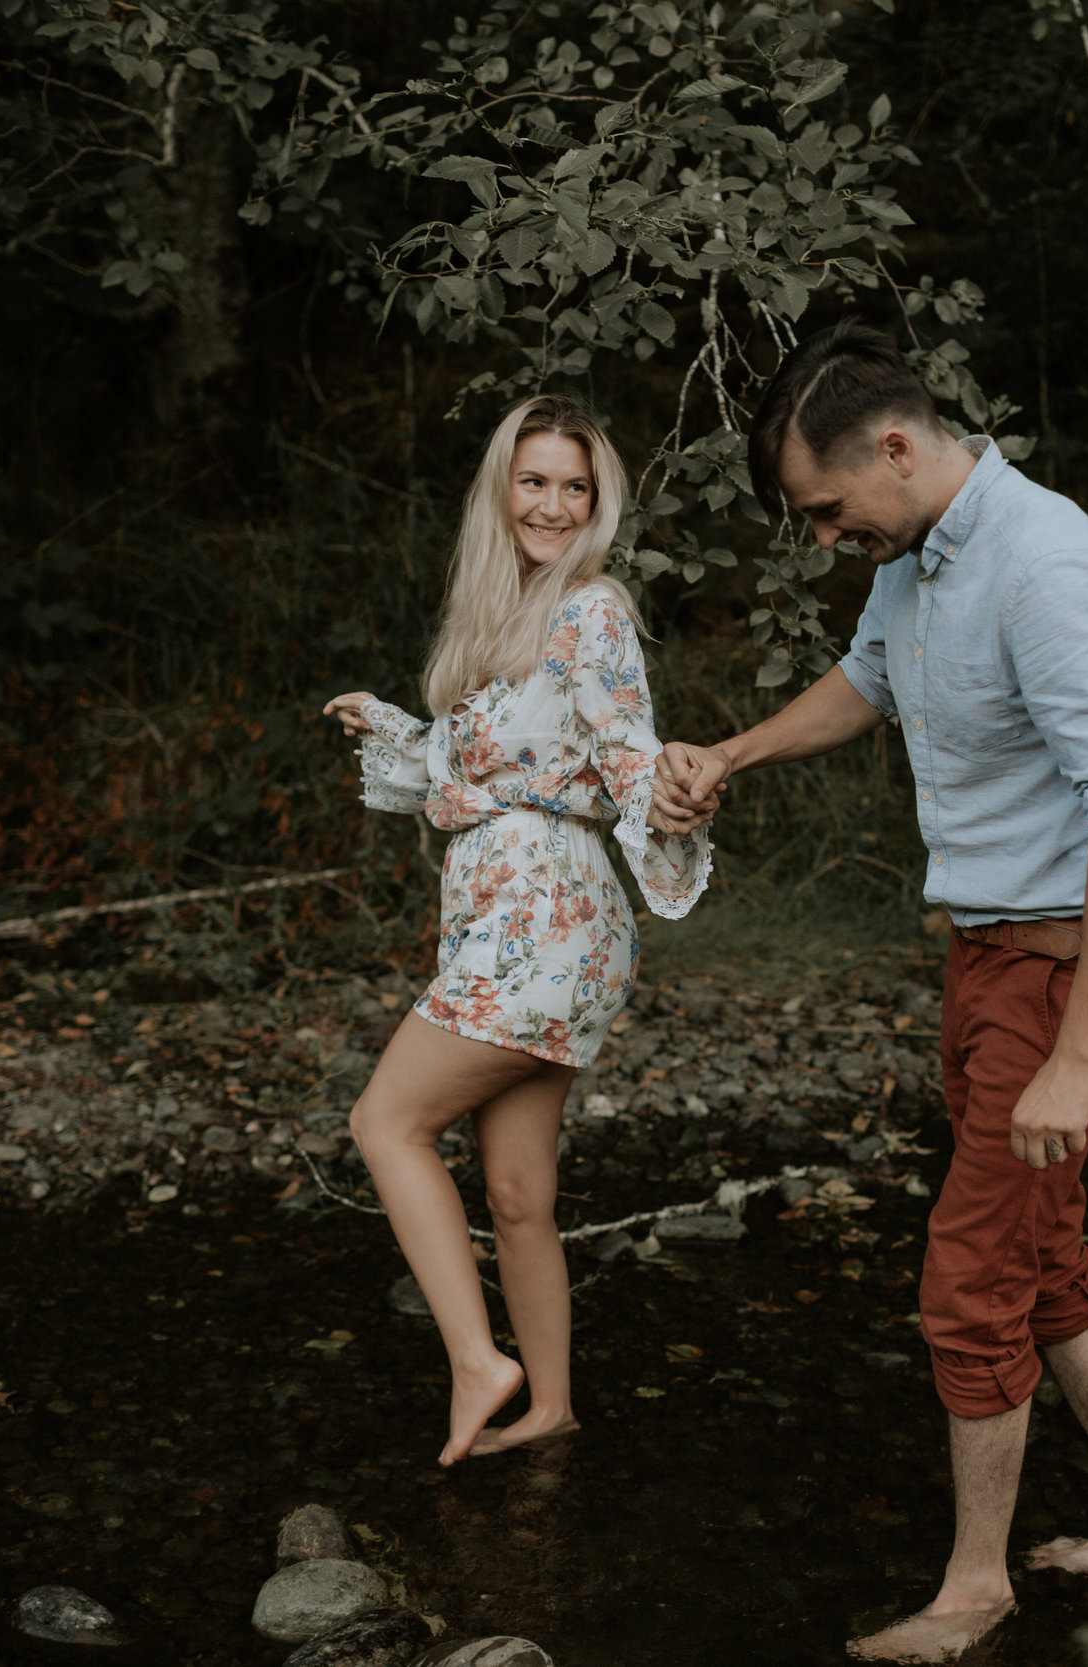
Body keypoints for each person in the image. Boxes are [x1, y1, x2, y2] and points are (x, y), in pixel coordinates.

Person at [656, 320, 1088, 1661]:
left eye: (830, 509)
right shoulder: (925, 554)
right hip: (989, 956)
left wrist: (1075, 1056)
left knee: (971, 1276)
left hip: (1065, 976)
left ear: (896, 445)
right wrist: (734, 751)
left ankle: (974, 1589)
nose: (828, 536)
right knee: (1042, 1247)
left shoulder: (1047, 562)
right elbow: (867, 681)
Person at [323, 393, 715, 1467]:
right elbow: (497, 772)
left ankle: (476, 1360)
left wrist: (671, 796)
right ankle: (549, 1407)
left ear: (598, 503)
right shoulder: (505, 616)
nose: (551, 503)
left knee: (386, 1122)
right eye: (533, 480)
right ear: (503, 487)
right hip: (529, 920)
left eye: (574, 486)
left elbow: (625, 748)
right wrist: (396, 728)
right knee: (517, 1194)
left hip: (542, 923)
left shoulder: (589, 608)